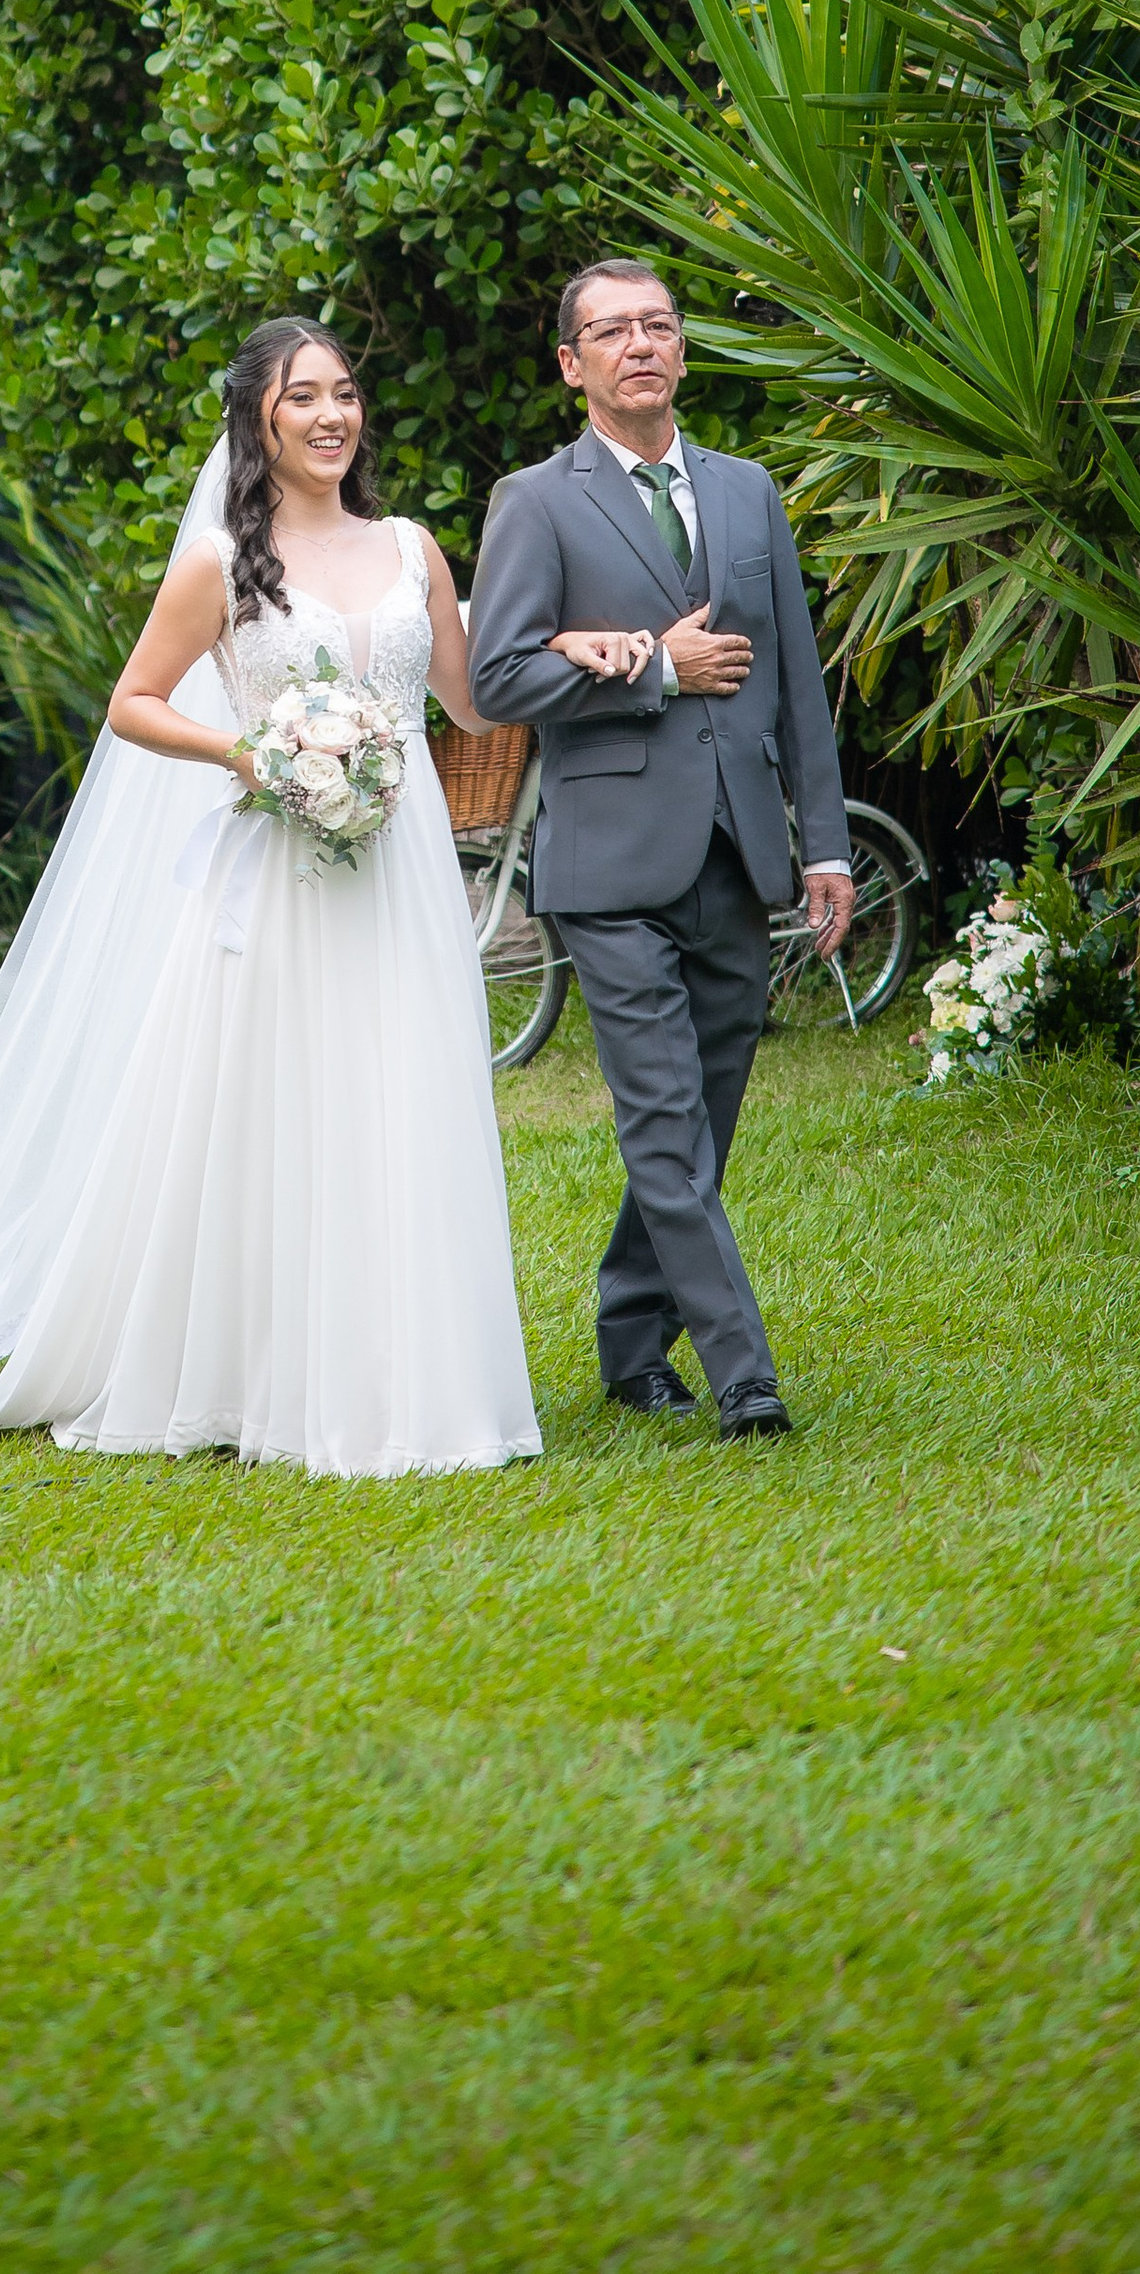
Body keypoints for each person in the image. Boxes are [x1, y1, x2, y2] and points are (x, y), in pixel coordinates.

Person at [0, 317, 643, 1477]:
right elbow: (134, 701)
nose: (332, 416)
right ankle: (250, 1373)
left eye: (344, 393)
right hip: (277, 870)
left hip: (401, 873)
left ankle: (410, 1377)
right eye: (303, 397)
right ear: (257, 418)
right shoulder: (219, 562)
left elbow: (474, 699)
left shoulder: (410, 549)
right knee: (271, 1113)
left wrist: (574, 646)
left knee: (403, 1099)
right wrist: (249, 753)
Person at [467, 255, 852, 1443]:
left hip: (737, 854)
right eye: (611, 331)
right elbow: (497, 679)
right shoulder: (535, 501)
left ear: (681, 349)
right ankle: (744, 1376)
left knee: (702, 1125)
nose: (639, 345)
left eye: (658, 326)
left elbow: (794, 680)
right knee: (663, 1122)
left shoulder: (746, 492)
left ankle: (633, 1342)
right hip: (609, 865)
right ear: (570, 364)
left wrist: (825, 847)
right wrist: (652, 667)